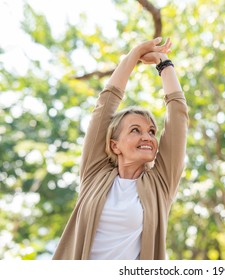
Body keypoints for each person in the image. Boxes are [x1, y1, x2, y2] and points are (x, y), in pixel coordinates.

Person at [52, 37, 188, 260]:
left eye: (152, 131)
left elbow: (178, 116)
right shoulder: (94, 173)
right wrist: (134, 54)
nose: (147, 137)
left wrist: (163, 62)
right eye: (135, 130)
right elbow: (104, 106)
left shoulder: (161, 184)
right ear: (115, 145)